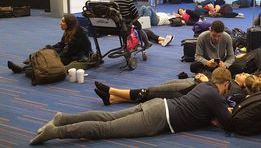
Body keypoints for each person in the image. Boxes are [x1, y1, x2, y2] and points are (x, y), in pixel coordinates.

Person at [29, 67, 233, 145]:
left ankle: (63, 118)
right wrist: (223, 115)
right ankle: (56, 132)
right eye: (227, 87)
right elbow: (230, 123)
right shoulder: (215, 96)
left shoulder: (204, 85)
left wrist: (211, 116)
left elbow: (202, 109)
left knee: (106, 118)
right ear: (225, 84)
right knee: (105, 129)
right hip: (158, 118)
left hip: (157, 105)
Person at [7, 14, 94, 73]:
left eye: (63, 22)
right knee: (45, 52)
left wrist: (52, 56)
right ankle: (27, 65)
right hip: (70, 53)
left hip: (78, 56)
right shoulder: (69, 31)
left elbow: (68, 52)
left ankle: (24, 69)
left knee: (49, 61)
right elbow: (61, 44)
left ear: (69, 24)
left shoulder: (78, 35)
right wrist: (49, 48)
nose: (60, 23)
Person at [108, 0, 173, 47]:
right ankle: (149, 42)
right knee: (139, 27)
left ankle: (160, 40)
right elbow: (135, 13)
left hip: (113, 25)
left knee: (143, 14)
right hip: (125, 24)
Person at [93, 73, 209, 105]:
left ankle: (111, 91)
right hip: (193, 84)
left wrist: (206, 82)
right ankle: (112, 99)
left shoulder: (223, 93)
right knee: (154, 93)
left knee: (150, 91)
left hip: (189, 94)